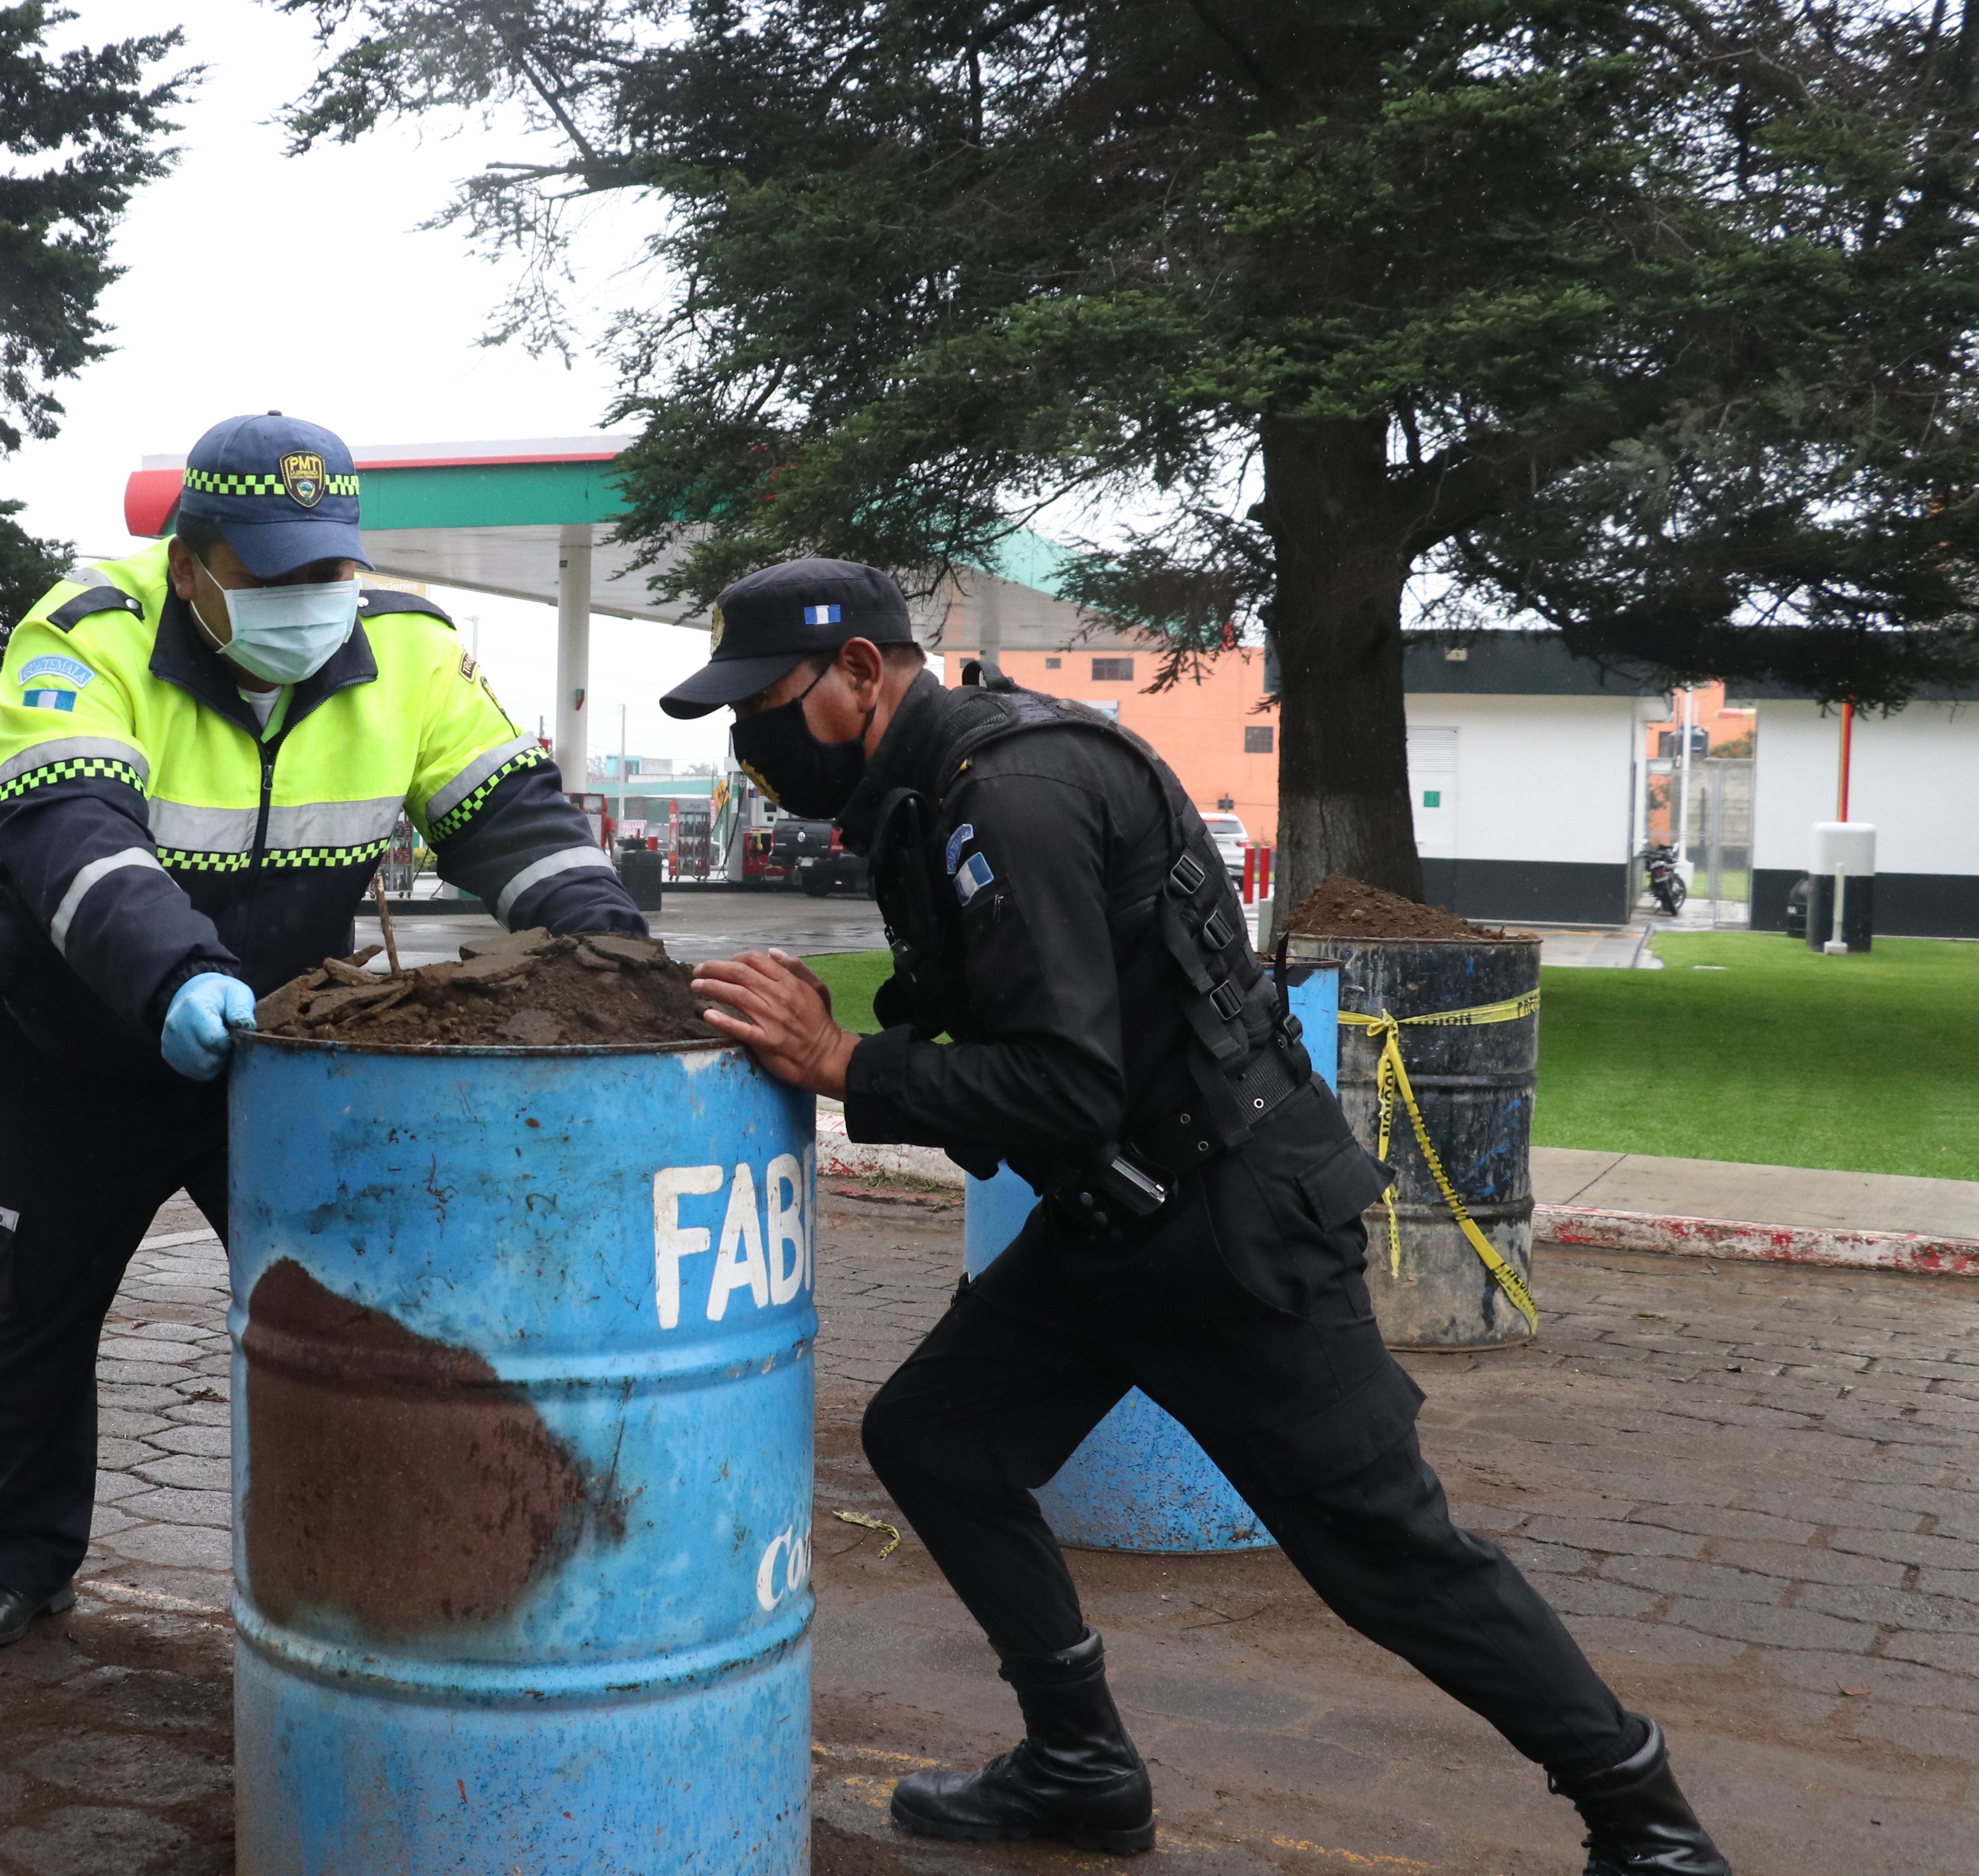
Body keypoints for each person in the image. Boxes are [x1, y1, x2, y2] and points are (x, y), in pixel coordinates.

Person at [669, 558, 1726, 1876]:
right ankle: (1080, 1766)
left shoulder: (1010, 791)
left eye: (767, 704)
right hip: (1122, 1222)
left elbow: (1064, 1080)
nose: (752, 742)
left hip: (1234, 1231)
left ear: (864, 674)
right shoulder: (940, 793)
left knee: (1386, 1553)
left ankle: (1649, 1825)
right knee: (935, 1436)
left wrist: (847, 1068)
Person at [0, 413, 645, 1648]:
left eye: (331, 569)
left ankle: (379, 1563)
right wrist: (173, 978)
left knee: (347, 1317)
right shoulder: (84, 634)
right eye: (275, 573)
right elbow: (73, 841)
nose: (313, 599)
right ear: (193, 563)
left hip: (270, 1066)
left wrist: (615, 954)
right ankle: (24, 1559)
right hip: (66, 1057)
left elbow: (513, 822)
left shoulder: (411, 653)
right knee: (38, 1319)